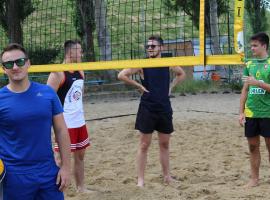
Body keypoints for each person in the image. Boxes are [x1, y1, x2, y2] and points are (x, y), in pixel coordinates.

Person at [0, 43, 71, 199]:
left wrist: (66, 167)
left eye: (19, 62)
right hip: (14, 175)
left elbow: (61, 130)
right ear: (4, 69)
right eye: (8, 64)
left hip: (48, 172)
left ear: (28, 63)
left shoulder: (47, 93)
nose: (15, 67)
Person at [118, 35, 186, 187]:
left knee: (165, 144)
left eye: (153, 46)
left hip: (164, 107)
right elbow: (121, 75)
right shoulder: (142, 64)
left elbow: (181, 74)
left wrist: (171, 86)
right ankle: (140, 180)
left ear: (161, 48)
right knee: (144, 144)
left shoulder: (168, 62)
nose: (149, 48)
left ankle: (167, 177)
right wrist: (138, 85)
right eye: (148, 46)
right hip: (147, 108)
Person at [47, 40, 90, 193]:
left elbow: (79, 95)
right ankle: (56, 191)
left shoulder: (80, 70)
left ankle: (81, 188)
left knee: (80, 156)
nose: (82, 54)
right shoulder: (58, 72)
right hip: (64, 124)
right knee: (60, 159)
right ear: (70, 53)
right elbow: (47, 99)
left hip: (79, 121)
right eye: (79, 51)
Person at [239, 32, 270, 188]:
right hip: (251, 113)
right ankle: (254, 179)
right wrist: (240, 112)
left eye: (255, 45)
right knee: (252, 147)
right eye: (251, 45)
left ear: (264, 45)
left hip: (268, 113)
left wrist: (258, 83)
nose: (252, 48)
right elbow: (245, 89)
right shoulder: (249, 64)